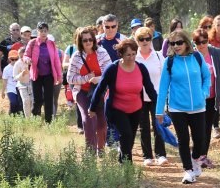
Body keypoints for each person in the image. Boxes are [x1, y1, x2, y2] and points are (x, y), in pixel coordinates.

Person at [89, 39, 157, 163]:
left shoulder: (141, 68)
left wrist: (158, 106)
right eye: (128, 55)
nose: (131, 57)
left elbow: (150, 89)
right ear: (121, 54)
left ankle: (122, 160)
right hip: (117, 108)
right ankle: (127, 166)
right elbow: (100, 88)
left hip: (136, 109)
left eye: (133, 54)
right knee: (126, 134)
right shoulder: (113, 68)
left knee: (129, 139)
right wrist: (92, 107)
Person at [155, 30, 210, 184]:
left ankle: (194, 161)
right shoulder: (170, 61)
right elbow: (163, 88)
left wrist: (204, 92)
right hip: (177, 107)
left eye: (179, 42)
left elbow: (207, 77)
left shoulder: (197, 57)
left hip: (198, 106)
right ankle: (188, 170)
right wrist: (159, 111)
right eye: (173, 43)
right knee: (183, 139)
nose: (176, 46)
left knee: (200, 139)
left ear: (186, 42)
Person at [67, 27, 112, 154]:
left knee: (102, 124)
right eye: (84, 40)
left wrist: (99, 79)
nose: (88, 42)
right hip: (82, 92)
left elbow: (110, 73)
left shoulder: (102, 53)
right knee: (88, 120)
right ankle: (90, 154)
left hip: (100, 92)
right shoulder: (76, 57)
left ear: (94, 39)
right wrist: (87, 78)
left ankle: (101, 149)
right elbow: (70, 78)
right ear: (79, 42)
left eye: (90, 39)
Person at [192, 28, 220, 167]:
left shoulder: (216, 53)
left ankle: (203, 157)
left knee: (207, 127)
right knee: (198, 128)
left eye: (204, 41)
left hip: (212, 98)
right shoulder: (191, 55)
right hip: (196, 99)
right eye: (198, 42)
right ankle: (195, 155)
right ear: (193, 42)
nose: (201, 45)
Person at [134, 26, 168, 166]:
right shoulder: (134, 57)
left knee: (158, 125)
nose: (145, 41)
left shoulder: (159, 56)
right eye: (141, 39)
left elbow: (165, 78)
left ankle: (161, 154)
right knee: (144, 127)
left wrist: (165, 98)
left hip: (157, 97)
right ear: (137, 41)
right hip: (139, 97)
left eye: (148, 38)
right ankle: (147, 156)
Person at [24, 22, 62, 123]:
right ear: (38, 32)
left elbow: (56, 61)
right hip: (36, 74)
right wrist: (27, 59)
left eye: (45, 31)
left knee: (49, 99)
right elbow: (26, 55)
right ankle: (35, 119)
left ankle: (48, 122)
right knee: (38, 100)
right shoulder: (32, 43)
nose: (43, 33)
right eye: (41, 31)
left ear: (47, 32)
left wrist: (59, 75)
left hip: (49, 75)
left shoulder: (51, 44)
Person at [97, 14, 127, 144]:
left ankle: (117, 139)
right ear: (102, 27)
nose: (110, 29)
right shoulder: (97, 40)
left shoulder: (123, 40)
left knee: (118, 110)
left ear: (117, 26)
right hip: (101, 80)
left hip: (120, 79)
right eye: (107, 27)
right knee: (105, 111)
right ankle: (109, 140)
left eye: (113, 27)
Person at [13, 47, 33, 118]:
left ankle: (33, 117)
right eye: (19, 56)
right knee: (26, 100)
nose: (21, 58)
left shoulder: (31, 62)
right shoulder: (17, 64)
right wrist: (22, 74)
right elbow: (15, 77)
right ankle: (28, 118)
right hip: (22, 85)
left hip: (32, 84)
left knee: (32, 101)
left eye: (23, 56)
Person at [1, 50, 22, 115]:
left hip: (19, 87)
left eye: (16, 59)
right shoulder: (6, 69)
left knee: (19, 104)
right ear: (9, 59)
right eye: (12, 59)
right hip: (10, 89)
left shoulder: (21, 66)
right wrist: (3, 91)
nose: (14, 61)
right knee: (13, 102)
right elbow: (5, 81)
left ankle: (17, 118)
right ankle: (11, 116)